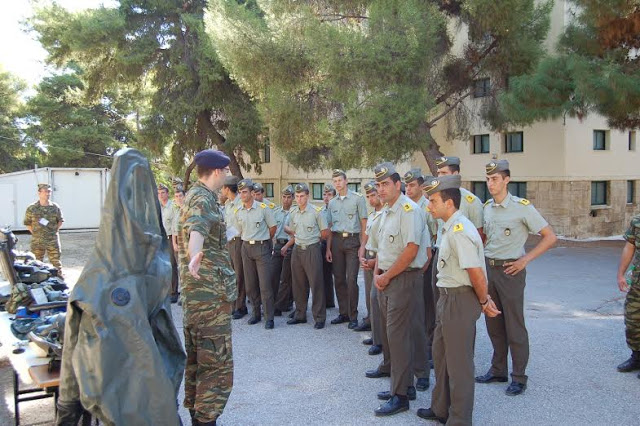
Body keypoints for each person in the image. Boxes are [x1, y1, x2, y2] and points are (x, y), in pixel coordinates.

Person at [417, 174, 501, 425]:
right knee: (441, 356)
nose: (429, 206)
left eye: (432, 201)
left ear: (449, 203)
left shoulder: (460, 230)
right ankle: (441, 408)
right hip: (447, 298)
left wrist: (485, 301)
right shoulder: (449, 227)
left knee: (459, 365)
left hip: (459, 301)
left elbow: (475, 270)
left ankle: (460, 419)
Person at [475, 159, 557, 396]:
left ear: (507, 180)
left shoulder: (522, 207)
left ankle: (519, 376)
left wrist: (524, 260)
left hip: (511, 272)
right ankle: (498, 369)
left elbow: (550, 237)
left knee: (515, 326)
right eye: (488, 179)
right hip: (490, 270)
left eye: (495, 179)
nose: (491, 183)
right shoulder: (486, 207)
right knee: (493, 323)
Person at [177, 149, 237, 426]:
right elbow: (196, 233)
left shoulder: (195, 196)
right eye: (225, 172)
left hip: (199, 298)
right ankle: (205, 420)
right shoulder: (202, 199)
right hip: (209, 300)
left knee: (200, 362)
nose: (226, 176)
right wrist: (194, 257)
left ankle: (199, 418)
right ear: (216, 172)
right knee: (215, 366)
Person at [365, 162, 425, 417]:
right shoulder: (386, 211)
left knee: (398, 337)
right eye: (378, 184)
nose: (381, 189)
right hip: (387, 279)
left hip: (401, 279)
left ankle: (399, 396)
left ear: (398, 185)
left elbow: (411, 250)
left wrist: (386, 275)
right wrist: (378, 273)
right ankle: (407, 386)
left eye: (385, 184)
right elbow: (380, 249)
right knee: (394, 337)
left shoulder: (409, 211)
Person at [326, 169, 368, 329]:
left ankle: (353, 315)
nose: (337, 183)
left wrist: (362, 246)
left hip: (352, 241)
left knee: (351, 279)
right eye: (335, 181)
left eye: (339, 180)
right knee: (339, 279)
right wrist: (328, 249)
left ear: (346, 181)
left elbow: (364, 224)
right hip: (336, 241)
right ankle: (343, 313)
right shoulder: (332, 202)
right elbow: (329, 227)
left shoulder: (358, 199)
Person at [402, 169, 432, 392]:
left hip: (419, 270)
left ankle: (422, 372)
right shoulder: (402, 207)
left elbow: (428, 250)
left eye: (413, 185)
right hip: (400, 271)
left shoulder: (427, 208)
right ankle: (402, 370)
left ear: (421, 186)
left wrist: (419, 272)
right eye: (407, 185)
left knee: (419, 322)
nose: (409, 189)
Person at [284, 183, 330, 328]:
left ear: (307, 196)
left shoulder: (317, 211)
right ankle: (300, 314)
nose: (299, 199)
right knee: (298, 283)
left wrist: (313, 240)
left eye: (302, 196)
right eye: (297, 196)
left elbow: (325, 232)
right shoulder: (293, 212)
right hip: (297, 249)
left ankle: (319, 317)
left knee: (316, 283)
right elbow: (291, 229)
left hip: (312, 249)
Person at [235, 179, 277, 329]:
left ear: (253, 193)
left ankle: (269, 317)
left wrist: (264, 239)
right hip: (246, 247)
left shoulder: (263, 208)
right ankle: (256, 313)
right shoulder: (238, 210)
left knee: (265, 284)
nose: (242, 195)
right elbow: (238, 230)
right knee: (251, 284)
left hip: (261, 247)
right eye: (240, 192)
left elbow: (273, 227)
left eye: (245, 192)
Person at [359, 181, 384, 355]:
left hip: (380, 260)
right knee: (370, 298)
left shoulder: (385, 214)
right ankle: (376, 335)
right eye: (367, 196)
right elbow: (366, 237)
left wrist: (375, 260)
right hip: (368, 257)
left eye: (373, 195)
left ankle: (382, 341)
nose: (370, 198)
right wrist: (361, 251)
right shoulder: (372, 214)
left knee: (378, 300)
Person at [616, 214, 640, 375]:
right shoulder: (637, 220)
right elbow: (629, 246)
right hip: (638, 282)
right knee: (633, 320)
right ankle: (636, 356)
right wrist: (621, 274)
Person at [221, 176, 248, 320]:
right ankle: (233, 303)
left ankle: (240, 306)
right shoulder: (228, 204)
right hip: (229, 242)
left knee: (239, 274)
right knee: (230, 274)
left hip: (238, 241)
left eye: (222, 188)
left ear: (227, 188)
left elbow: (241, 227)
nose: (221, 190)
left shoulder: (240, 204)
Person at [24, 183, 64, 275]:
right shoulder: (32, 208)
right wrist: (36, 233)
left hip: (52, 240)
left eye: (49, 191)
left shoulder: (55, 207)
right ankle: (38, 281)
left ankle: (59, 279)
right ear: (39, 193)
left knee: (56, 262)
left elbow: (60, 221)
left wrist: (53, 232)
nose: (47, 194)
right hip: (37, 240)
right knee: (36, 262)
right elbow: (28, 223)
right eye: (45, 191)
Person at [272, 186, 295, 315]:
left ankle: (282, 305)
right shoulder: (275, 212)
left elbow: (296, 234)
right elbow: (272, 230)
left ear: (292, 198)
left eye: (288, 197)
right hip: (278, 245)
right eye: (284, 197)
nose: (286, 200)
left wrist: (287, 246)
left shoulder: (295, 212)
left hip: (290, 245)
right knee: (274, 275)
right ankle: (277, 301)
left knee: (286, 277)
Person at [159, 183, 179, 303]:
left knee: (172, 264)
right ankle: (165, 290)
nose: (161, 195)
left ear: (167, 193)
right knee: (163, 264)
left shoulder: (173, 206)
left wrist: (174, 241)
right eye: (159, 193)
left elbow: (174, 224)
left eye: (163, 193)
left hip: (171, 237)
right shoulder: (158, 207)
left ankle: (174, 291)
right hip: (161, 238)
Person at [321, 184, 337, 308]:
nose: (326, 197)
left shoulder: (336, 209)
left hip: (336, 243)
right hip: (324, 242)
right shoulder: (321, 211)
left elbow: (331, 228)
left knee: (339, 275)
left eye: (329, 194)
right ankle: (328, 301)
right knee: (325, 273)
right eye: (324, 194)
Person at [171, 186, 185, 304]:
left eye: (180, 196)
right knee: (180, 269)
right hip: (178, 243)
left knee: (187, 270)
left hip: (186, 244)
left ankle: (187, 295)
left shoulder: (188, 210)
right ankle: (182, 293)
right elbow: (174, 229)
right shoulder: (176, 211)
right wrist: (174, 243)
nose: (178, 198)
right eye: (176, 196)